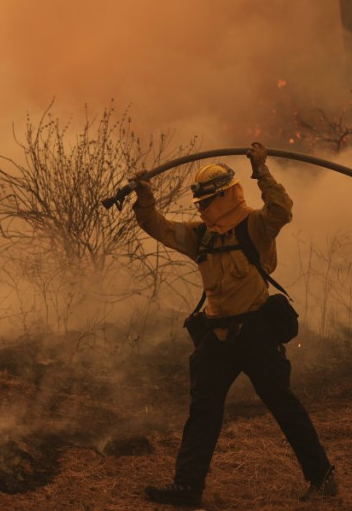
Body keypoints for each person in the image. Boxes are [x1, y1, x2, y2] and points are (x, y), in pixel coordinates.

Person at [134, 142, 336, 506]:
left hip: (256, 332)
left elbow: (282, 210)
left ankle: (322, 479)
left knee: (283, 405)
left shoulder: (255, 225)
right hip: (217, 335)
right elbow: (158, 227)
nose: (202, 209)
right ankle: (187, 487)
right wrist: (145, 198)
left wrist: (262, 171)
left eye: (207, 202)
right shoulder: (202, 235)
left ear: (225, 196)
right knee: (203, 410)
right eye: (199, 204)